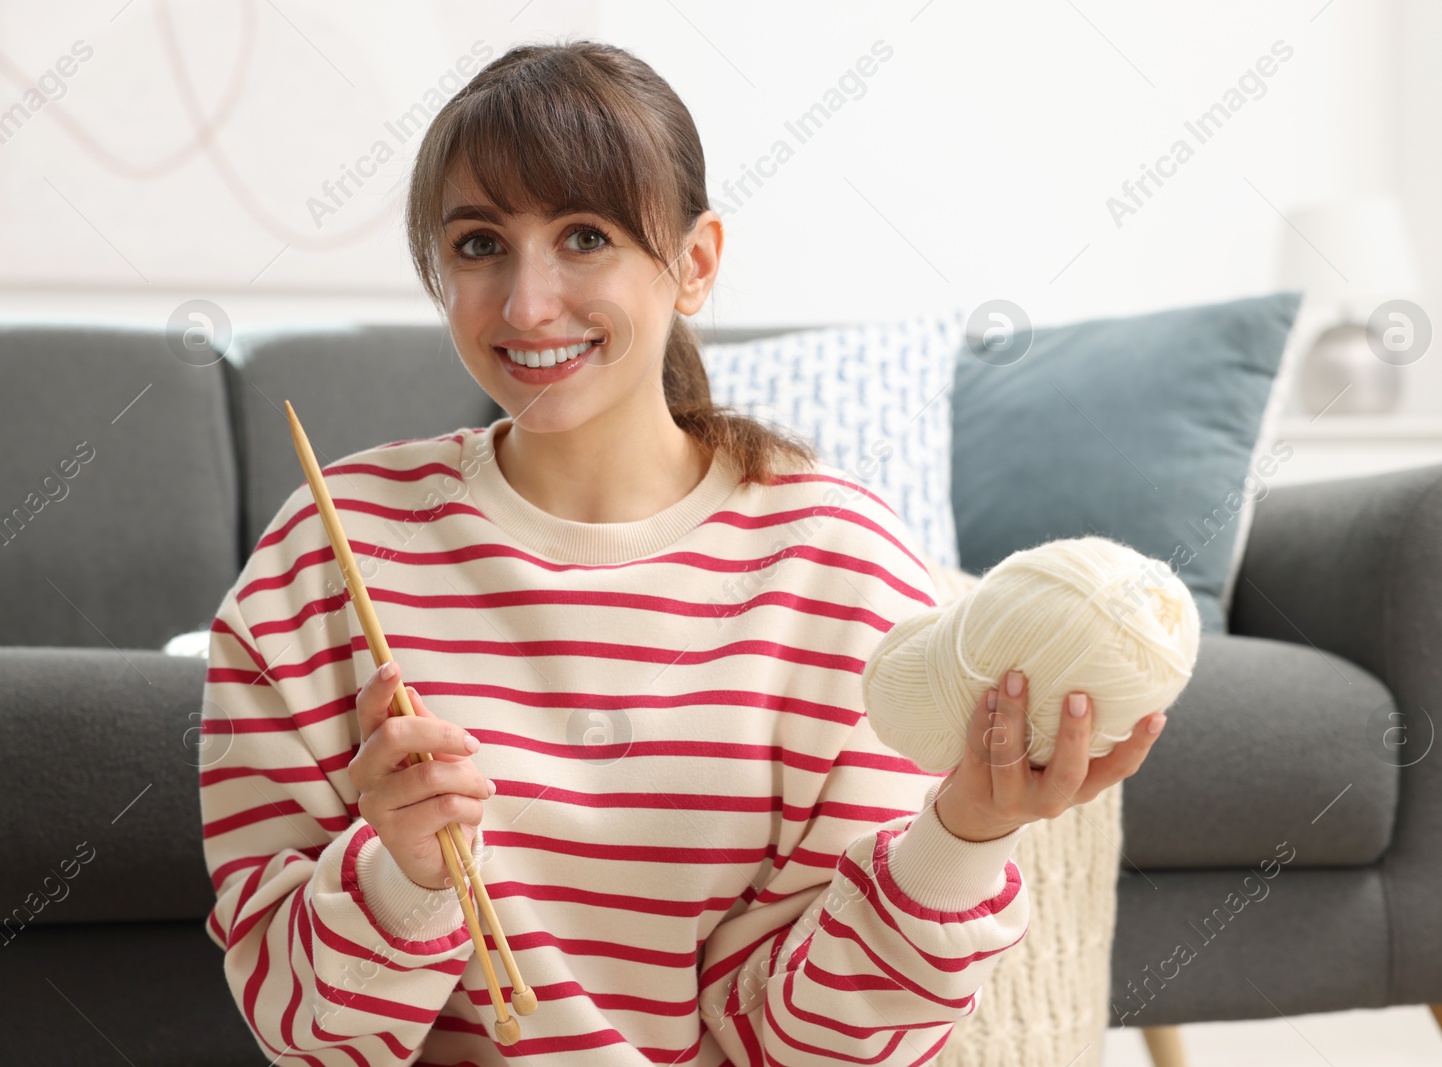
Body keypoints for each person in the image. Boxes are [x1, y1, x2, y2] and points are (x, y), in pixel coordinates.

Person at [198, 38, 1166, 1066]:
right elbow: (305, 1033)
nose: (527, 305)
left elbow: (814, 1045)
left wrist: (965, 829)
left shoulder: (839, 566)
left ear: (695, 262)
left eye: (584, 237)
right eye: (481, 245)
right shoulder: (325, 551)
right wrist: (398, 873)